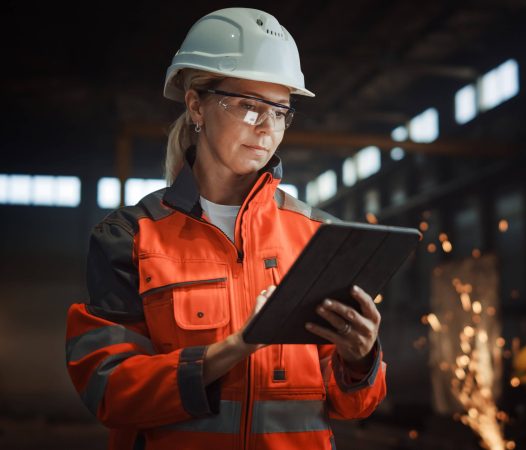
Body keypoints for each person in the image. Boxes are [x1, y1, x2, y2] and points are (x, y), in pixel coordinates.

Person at [64, 8, 386, 450]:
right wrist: (237, 347)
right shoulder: (130, 237)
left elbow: (354, 406)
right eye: (249, 107)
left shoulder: (319, 236)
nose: (267, 128)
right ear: (196, 104)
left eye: (280, 111)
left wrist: (360, 357)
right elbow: (111, 391)